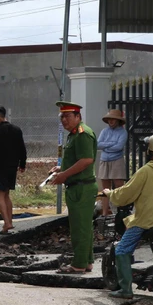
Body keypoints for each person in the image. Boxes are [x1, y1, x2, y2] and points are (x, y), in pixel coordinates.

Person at [104, 134, 153, 299]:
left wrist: (109, 193)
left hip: (147, 220)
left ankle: (125, 290)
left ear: (151, 151)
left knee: (122, 250)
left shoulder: (146, 170)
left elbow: (125, 194)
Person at [49, 102, 98, 274]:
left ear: (78, 117)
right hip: (77, 186)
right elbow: (77, 160)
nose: (64, 120)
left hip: (82, 187)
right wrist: (61, 170)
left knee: (80, 227)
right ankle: (87, 261)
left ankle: (78, 264)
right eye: (62, 116)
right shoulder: (73, 135)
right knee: (83, 226)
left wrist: (64, 175)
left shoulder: (83, 134)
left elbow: (86, 160)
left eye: (67, 116)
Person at [0, 105, 27, 235]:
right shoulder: (17, 130)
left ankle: (6, 223)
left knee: (0, 195)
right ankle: (10, 222)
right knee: (6, 194)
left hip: (1, 168)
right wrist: (22, 164)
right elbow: (22, 149)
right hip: (13, 168)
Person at [97, 109, 128, 216]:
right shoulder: (104, 131)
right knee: (105, 188)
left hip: (117, 160)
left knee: (119, 187)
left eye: (113, 119)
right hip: (104, 160)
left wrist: (106, 145)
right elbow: (98, 145)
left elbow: (119, 147)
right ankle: (104, 213)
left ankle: (121, 212)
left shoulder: (123, 132)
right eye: (109, 119)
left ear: (118, 120)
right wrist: (111, 144)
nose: (111, 121)